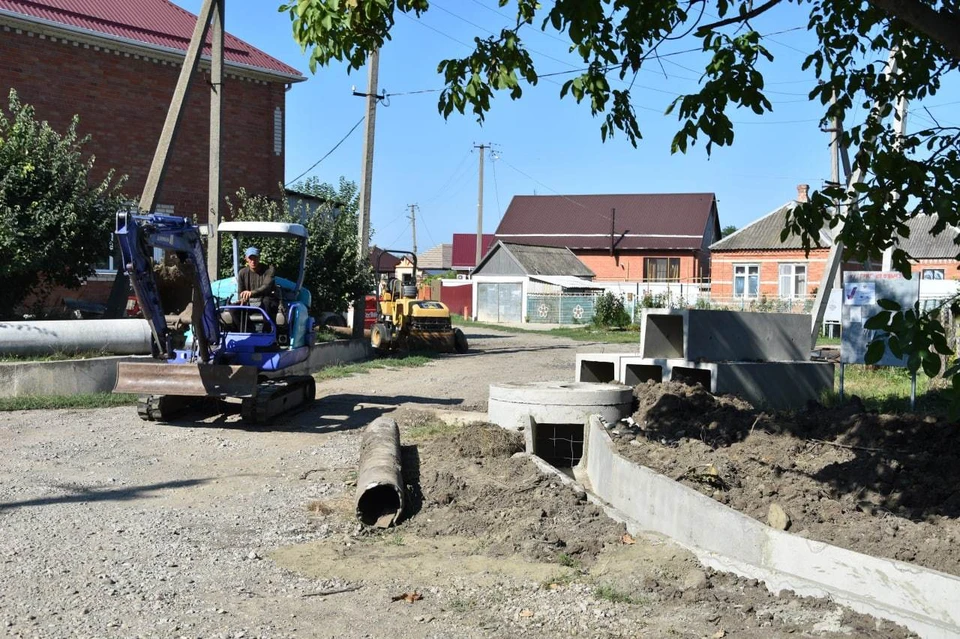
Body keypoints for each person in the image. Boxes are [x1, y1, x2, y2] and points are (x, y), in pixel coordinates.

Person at [237, 247, 279, 326]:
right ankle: (242, 332)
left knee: (267, 301)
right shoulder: (242, 273)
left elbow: (266, 286)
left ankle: (267, 331)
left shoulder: (269, 270)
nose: (253, 261)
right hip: (251, 303)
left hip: (267, 302)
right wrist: (242, 299)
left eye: (255, 258)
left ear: (259, 258)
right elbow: (240, 292)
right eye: (250, 258)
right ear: (246, 259)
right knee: (232, 309)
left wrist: (251, 293)